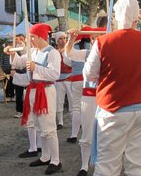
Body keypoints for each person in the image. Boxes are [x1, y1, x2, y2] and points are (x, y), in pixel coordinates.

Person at [83, 0, 141, 176]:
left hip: (113, 110)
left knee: (107, 165)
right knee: (139, 166)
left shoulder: (103, 42)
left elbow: (89, 75)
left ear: (116, 16)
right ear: (136, 16)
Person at [7, 23, 62, 175]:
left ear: (40, 36)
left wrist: (35, 67)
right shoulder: (33, 51)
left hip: (45, 91)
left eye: (32, 37)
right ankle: (45, 156)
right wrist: (11, 53)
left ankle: (56, 160)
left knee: (49, 127)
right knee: (39, 125)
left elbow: (54, 74)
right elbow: (19, 62)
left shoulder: (52, 53)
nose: (30, 40)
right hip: (33, 89)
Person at [64, 26, 105, 176]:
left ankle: (102, 166)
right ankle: (84, 166)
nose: (95, 40)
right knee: (87, 132)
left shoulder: (113, 53)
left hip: (107, 98)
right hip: (89, 96)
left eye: (98, 37)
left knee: (107, 133)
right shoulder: (88, 53)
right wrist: (71, 39)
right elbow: (69, 53)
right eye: (93, 38)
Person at [52, 31, 72, 130]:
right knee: (58, 101)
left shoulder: (69, 49)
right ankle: (60, 122)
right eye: (60, 38)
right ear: (56, 40)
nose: (63, 40)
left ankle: (76, 120)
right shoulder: (54, 52)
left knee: (73, 100)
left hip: (69, 78)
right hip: (58, 79)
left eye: (64, 38)